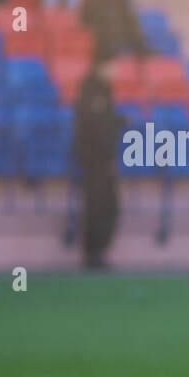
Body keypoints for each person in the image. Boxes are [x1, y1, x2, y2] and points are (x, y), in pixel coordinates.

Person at [71, 56, 125, 269]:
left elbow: (102, 121)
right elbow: (95, 126)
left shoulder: (102, 90)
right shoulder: (94, 90)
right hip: (95, 161)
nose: (116, 71)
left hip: (100, 159)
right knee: (98, 205)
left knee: (107, 205)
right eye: (113, 66)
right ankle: (93, 252)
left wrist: (118, 121)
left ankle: (98, 251)